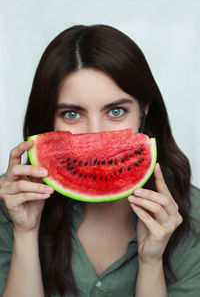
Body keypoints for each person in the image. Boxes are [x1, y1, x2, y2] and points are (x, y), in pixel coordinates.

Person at [0, 24, 200, 297]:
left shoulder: (192, 216)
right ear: (48, 118)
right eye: (72, 114)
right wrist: (25, 232)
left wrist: (151, 263)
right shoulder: (11, 202)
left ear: (144, 110)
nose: (96, 134)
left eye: (116, 111)